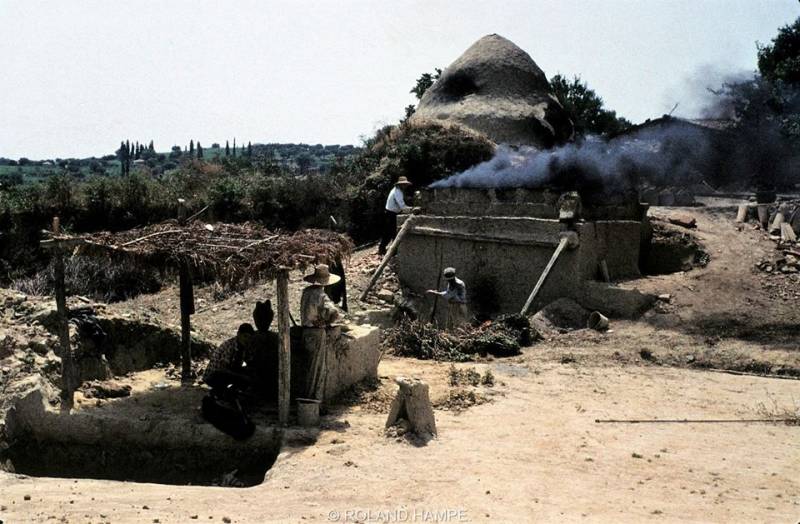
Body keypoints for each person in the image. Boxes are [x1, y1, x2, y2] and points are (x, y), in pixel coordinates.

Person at [203, 323, 256, 399]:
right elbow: (223, 369)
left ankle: (231, 392)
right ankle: (220, 393)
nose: (246, 340)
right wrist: (241, 376)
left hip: (227, 371)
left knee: (248, 374)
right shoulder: (230, 346)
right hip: (213, 375)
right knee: (241, 378)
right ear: (238, 334)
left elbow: (248, 362)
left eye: (249, 338)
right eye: (245, 336)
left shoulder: (244, 346)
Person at [379, 176, 413, 255]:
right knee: (390, 232)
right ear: (400, 185)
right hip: (391, 214)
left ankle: (390, 250)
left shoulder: (396, 190)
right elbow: (402, 207)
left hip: (390, 213)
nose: (405, 186)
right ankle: (386, 250)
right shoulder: (397, 192)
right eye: (404, 184)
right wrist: (412, 209)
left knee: (390, 232)